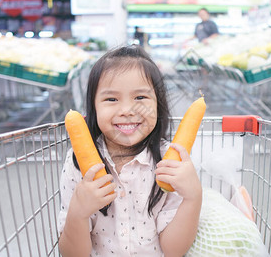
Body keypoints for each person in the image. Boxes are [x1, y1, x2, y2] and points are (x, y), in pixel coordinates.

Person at [58, 45, 202, 257]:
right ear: (93, 107)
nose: (127, 111)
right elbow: (72, 254)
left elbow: (174, 250)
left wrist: (193, 196)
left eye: (140, 98)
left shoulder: (171, 163)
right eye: (111, 99)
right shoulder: (77, 164)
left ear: (158, 105)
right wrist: (78, 214)